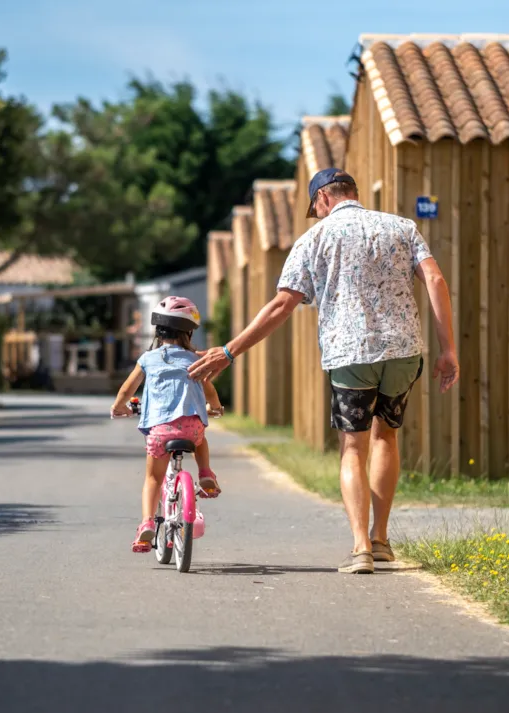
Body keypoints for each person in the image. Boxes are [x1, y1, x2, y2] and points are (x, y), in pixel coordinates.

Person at [189, 168, 459, 574]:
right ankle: (382, 539)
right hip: (403, 350)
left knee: (354, 447)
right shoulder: (402, 227)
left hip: (350, 355)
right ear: (351, 192)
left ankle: (361, 548)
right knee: (386, 437)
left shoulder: (313, 238)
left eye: (314, 207)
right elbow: (435, 279)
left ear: (323, 199)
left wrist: (230, 351)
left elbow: (281, 305)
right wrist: (448, 349)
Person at [112, 296, 224, 553]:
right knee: (201, 438)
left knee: (153, 477)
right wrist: (216, 409)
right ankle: (205, 473)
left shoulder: (148, 359)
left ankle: (146, 524)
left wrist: (119, 408)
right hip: (192, 430)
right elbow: (210, 391)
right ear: (188, 332)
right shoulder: (195, 359)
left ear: (158, 330)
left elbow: (126, 390)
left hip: (160, 432)